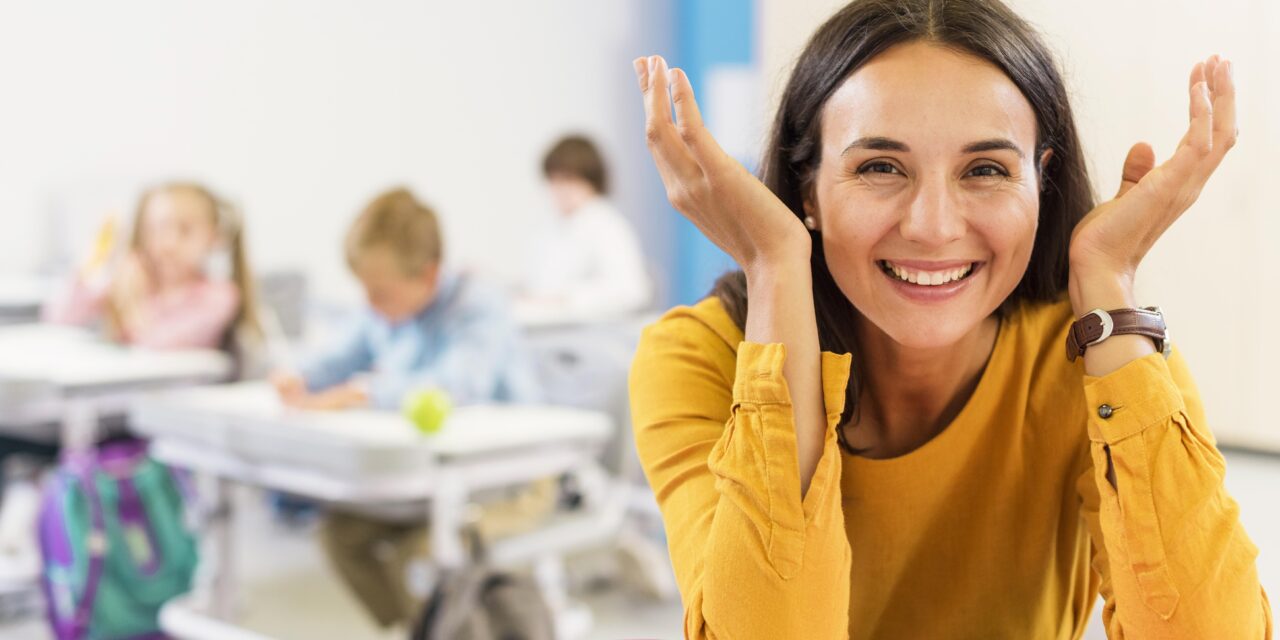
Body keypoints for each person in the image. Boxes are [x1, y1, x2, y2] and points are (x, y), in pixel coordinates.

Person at [627, 1, 1273, 638]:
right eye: (880, 167)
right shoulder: (698, 357)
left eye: (986, 169)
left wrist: (1107, 277)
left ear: (1040, 186)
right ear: (807, 191)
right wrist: (774, 264)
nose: (933, 227)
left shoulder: (1097, 356)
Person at [269, 187, 549, 630]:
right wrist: (298, 376)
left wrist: (364, 393)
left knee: (420, 554)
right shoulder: (383, 311)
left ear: (429, 275)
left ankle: (443, 628)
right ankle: (424, 629)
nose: (370, 303)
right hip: (431, 479)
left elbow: (460, 385)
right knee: (341, 536)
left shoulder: (478, 306)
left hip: (513, 478)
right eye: (364, 289)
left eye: (380, 292)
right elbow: (339, 355)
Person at [44, 181, 258, 350]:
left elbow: (155, 346)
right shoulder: (131, 281)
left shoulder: (218, 296)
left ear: (214, 236)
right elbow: (60, 320)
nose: (169, 243)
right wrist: (92, 262)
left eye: (185, 230)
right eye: (156, 229)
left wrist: (132, 305)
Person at [520, 135, 652, 319]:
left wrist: (565, 298)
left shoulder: (607, 226)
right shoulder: (551, 227)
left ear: (591, 180)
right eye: (553, 180)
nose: (559, 188)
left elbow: (630, 292)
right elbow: (539, 285)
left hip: (591, 334)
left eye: (568, 179)